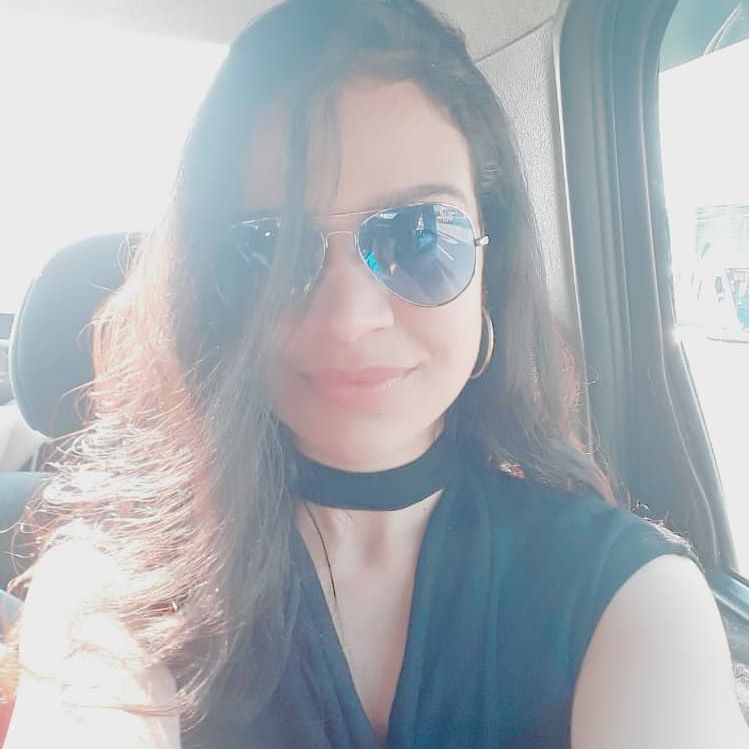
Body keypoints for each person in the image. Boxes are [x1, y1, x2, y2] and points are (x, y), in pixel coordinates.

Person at [3, 1, 748, 747]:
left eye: (419, 237)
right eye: (272, 251)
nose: (348, 319)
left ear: (490, 268)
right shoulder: (116, 592)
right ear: (214, 292)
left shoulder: (630, 595)